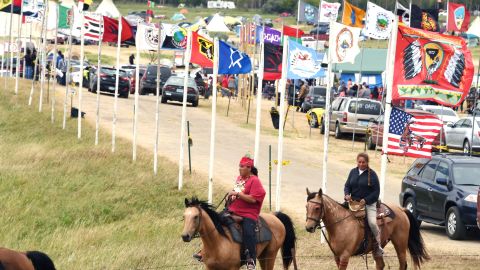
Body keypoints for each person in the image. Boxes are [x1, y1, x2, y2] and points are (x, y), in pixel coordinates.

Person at [227, 155, 266, 269]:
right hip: (233, 210)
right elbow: (237, 192)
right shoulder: (239, 178)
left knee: (249, 232)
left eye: (242, 166)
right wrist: (231, 197)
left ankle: (251, 260)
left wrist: (237, 194)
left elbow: (253, 199)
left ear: (249, 168)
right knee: (216, 220)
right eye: (239, 166)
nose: (239, 168)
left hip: (248, 213)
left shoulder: (255, 181)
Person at [344, 153, 383, 257]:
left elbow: (376, 192)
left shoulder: (373, 174)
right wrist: (347, 194)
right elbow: (347, 185)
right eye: (359, 162)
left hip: (368, 203)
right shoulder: (353, 171)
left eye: (363, 162)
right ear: (357, 162)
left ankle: (378, 245)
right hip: (353, 202)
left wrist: (366, 200)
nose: (361, 164)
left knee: (372, 223)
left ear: (367, 162)